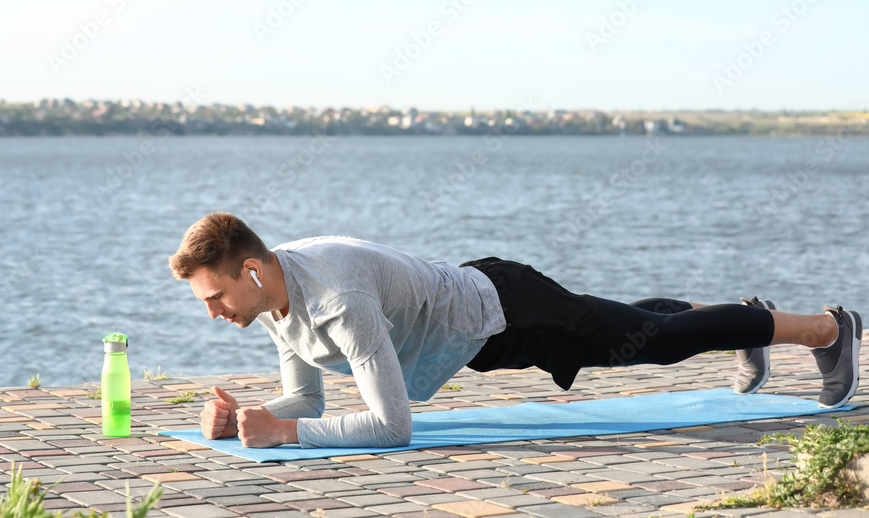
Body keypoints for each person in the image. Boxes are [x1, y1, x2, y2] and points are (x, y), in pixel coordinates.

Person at [168, 211, 862, 449]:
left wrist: (285, 432)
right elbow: (309, 401)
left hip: (506, 312)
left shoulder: (337, 296)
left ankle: (827, 329)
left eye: (216, 293)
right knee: (637, 323)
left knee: (648, 342)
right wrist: (247, 418)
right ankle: (740, 314)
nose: (213, 310)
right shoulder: (272, 298)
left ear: (252, 269)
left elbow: (393, 424)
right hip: (483, 324)